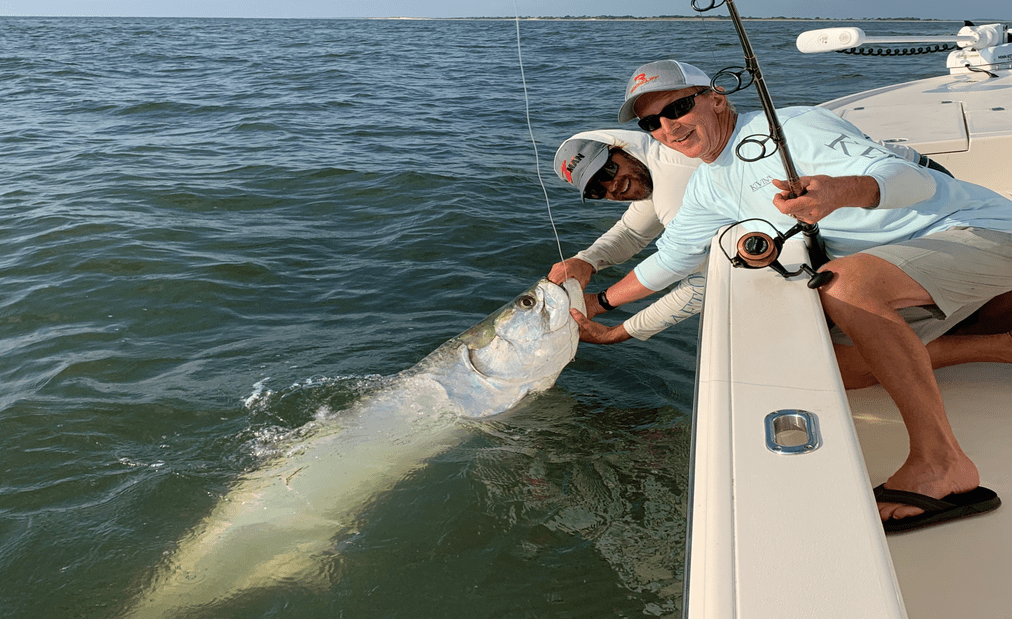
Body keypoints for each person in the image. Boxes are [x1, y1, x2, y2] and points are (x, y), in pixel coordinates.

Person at [578, 58, 1012, 531]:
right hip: (919, 263)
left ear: (716, 99)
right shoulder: (708, 184)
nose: (668, 127)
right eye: (651, 122)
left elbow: (916, 181)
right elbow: (671, 258)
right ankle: (999, 344)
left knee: (845, 283)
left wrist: (843, 191)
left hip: (977, 232)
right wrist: (598, 306)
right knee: (831, 365)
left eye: (678, 107)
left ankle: (942, 464)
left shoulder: (793, 128)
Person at [551, 131, 1010, 389]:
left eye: (609, 171)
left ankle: (995, 343)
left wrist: (620, 329)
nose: (612, 186)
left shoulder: (682, 178)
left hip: (917, 209)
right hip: (916, 180)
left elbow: (706, 281)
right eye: (597, 190)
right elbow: (637, 226)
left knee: (823, 363)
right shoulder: (662, 164)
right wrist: (587, 259)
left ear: (622, 148)